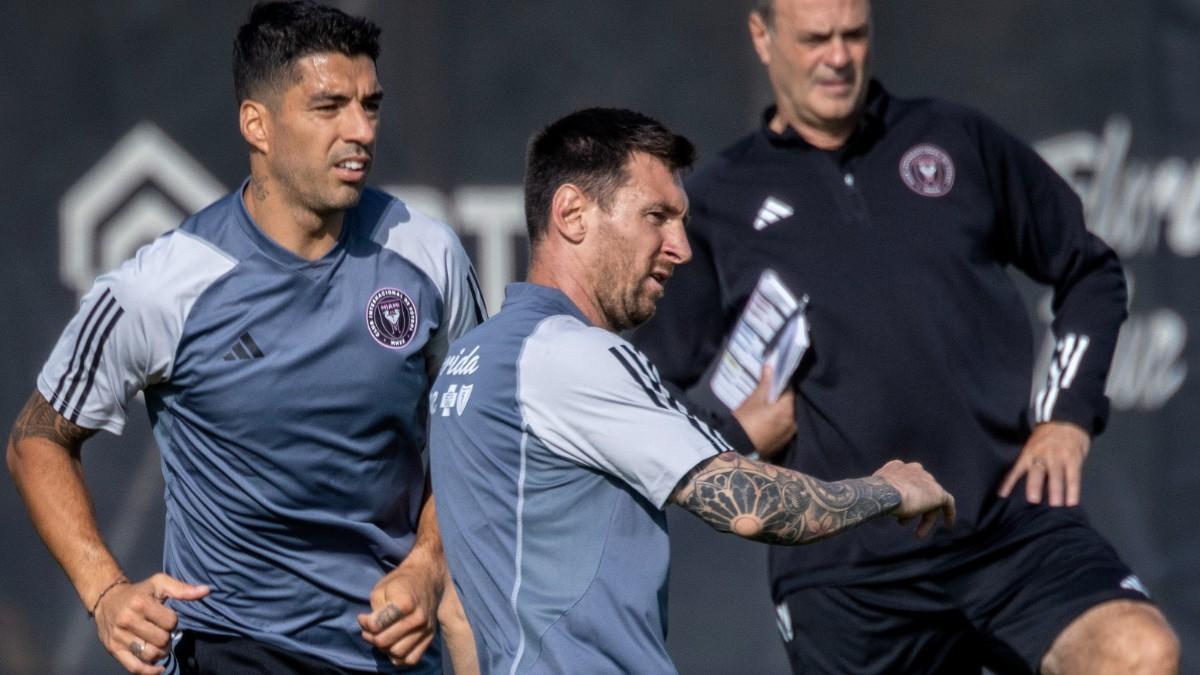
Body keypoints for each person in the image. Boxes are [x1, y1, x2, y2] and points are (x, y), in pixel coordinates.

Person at [630, 0, 1182, 673]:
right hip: (845, 566)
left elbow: (1089, 269)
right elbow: (638, 397)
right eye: (814, 38)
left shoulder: (954, 140)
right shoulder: (717, 203)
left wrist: (1066, 417)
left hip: (1007, 524)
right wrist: (736, 434)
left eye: (854, 34)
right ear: (761, 36)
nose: (838, 57)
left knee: (1138, 651)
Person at [6, 2, 484, 673]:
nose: (360, 130)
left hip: (390, 654)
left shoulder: (426, 254)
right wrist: (106, 590)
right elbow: (36, 438)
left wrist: (428, 565)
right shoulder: (165, 284)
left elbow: (478, 436)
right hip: (231, 646)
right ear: (256, 124)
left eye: (369, 105)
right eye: (329, 107)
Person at [427, 107, 956, 674]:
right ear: (573, 214)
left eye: (681, 220)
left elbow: (457, 612)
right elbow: (752, 510)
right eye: (657, 216)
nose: (681, 247)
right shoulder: (574, 354)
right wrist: (888, 490)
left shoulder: (472, 362)